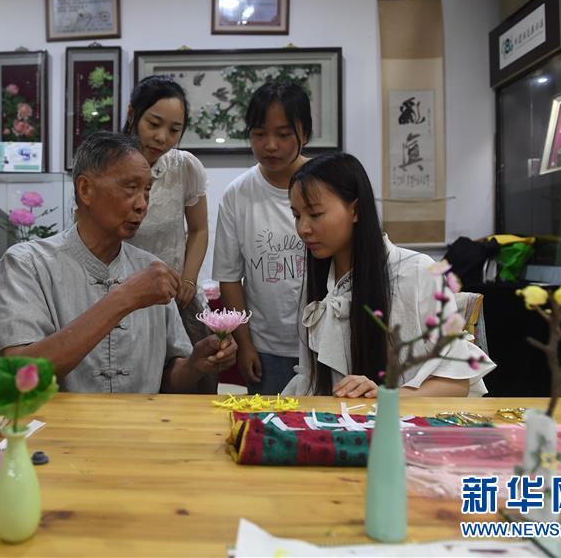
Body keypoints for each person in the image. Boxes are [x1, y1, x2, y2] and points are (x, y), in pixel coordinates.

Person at [0, 132, 236, 393]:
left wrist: (195, 365)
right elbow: (18, 375)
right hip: (56, 420)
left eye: (147, 190)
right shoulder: (27, 264)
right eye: (131, 188)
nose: (142, 205)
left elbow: (168, 380)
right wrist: (124, 298)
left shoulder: (151, 269)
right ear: (85, 189)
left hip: (139, 420)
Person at [283, 152, 495, 397]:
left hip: (400, 419)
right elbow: (311, 379)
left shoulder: (417, 272)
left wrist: (385, 397)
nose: (303, 228)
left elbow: (456, 382)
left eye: (315, 214)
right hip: (333, 417)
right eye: (296, 216)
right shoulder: (318, 281)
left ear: (355, 210)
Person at [212, 81, 311, 395]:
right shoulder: (238, 195)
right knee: (268, 423)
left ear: (305, 134)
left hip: (325, 344)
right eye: (259, 134)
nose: (270, 145)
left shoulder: (327, 184)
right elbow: (229, 278)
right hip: (266, 349)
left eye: (283, 134)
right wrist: (244, 344)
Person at [122, 76, 209, 316]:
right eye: (153, 124)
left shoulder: (184, 167)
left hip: (172, 298)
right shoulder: (106, 166)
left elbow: (199, 230)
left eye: (174, 130)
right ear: (132, 114)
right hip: (120, 296)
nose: (162, 137)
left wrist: (189, 280)